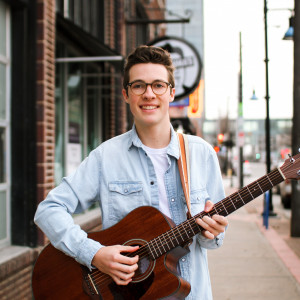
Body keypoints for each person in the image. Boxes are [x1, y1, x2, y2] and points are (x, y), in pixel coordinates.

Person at [34, 45, 228, 300]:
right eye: (139, 86)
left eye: (158, 85)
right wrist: (94, 254)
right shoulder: (106, 157)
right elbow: (48, 210)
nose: (149, 94)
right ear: (126, 94)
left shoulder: (202, 154)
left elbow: (212, 241)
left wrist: (213, 232)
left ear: (171, 93)